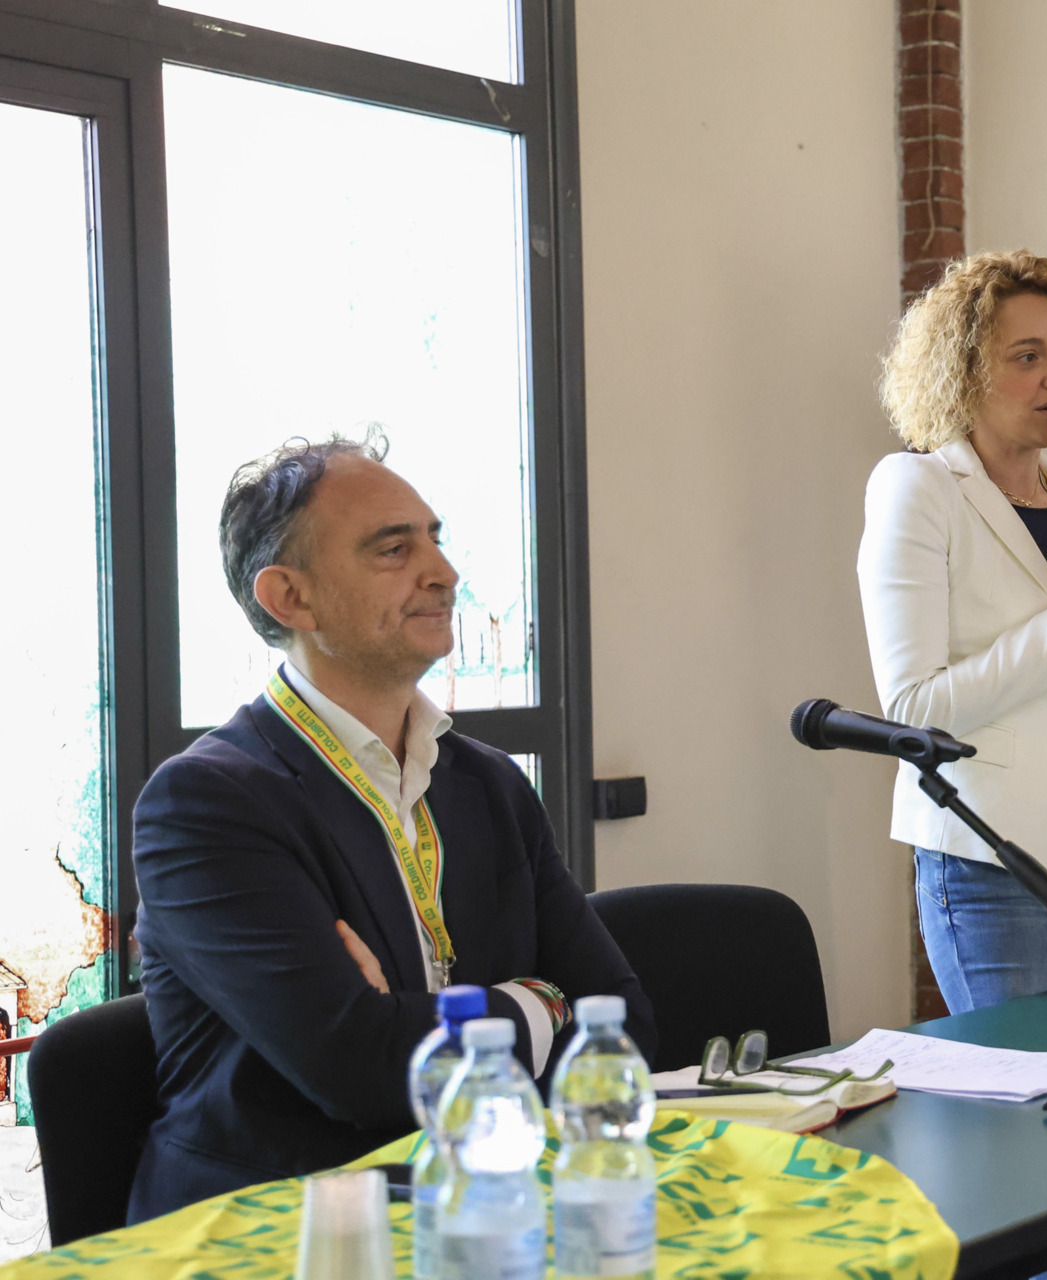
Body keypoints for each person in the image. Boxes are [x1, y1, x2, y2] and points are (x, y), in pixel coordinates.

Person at [129, 433, 655, 1223]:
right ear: (290, 598)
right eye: (393, 549)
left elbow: (621, 1024)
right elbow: (360, 1069)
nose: (443, 572)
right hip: (279, 1228)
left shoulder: (490, 783)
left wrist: (404, 1022)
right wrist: (541, 1002)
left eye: (435, 540)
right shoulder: (207, 804)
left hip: (486, 1202)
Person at [859, 250, 1047, 1026]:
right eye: (1027, 357)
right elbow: (914, 710)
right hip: (991, 854)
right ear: (962, 372)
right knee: (1033, 1089)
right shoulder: (918, 489)